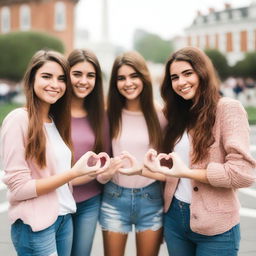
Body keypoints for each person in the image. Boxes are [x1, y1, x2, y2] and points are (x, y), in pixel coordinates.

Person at [143, 46, 256, 256]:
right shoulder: (176, 115)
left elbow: (242, 174)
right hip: (175, 218)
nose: (181, 82)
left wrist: (186, 172)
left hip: (216, 226)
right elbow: (172, 173)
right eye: (174, 77)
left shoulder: (227, 109)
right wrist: (138, 169)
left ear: (202, 73)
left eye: (188, 73)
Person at [0, 50, 105, 256]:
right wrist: (73, 173)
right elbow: (19, 188)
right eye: (46, 76)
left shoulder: (54, 122)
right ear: (32, 79)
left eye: (61, 79)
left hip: (64, 219)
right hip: (37, 226)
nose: (55, 85)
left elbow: (55, 178)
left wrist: (93, 172)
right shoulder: (18, 120)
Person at [99, 51, 164, 256]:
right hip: (114, 198)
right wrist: (105, 174)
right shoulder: (108, 113)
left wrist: (142, 171)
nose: (128, 83)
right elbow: (100, 167)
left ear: (144, 77)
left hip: (151, 199)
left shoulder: (159, 113)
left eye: (134, 76)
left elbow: (167, 169)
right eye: (121, 78)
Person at [68, 48, 122, 256]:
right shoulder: (52, 112)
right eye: (77, 74)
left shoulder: (102, 116)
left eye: (90, 75)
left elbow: (103, 162)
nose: (84, 81)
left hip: (89, 202)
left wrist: (106, 173)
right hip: (55, 199)